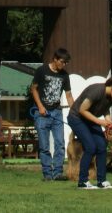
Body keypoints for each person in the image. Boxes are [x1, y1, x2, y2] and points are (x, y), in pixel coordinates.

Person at [66, 77, 112, 190]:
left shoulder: (111, 97)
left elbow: (105, 110)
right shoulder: (96, 91)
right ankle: (83, 182)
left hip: (90, 119)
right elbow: (82, 110)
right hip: (77, 118)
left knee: (101, 146)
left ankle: (102, 181)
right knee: (90, 147)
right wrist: (100, 122)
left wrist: (109, 123)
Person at [30, 48, 75, 181]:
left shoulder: (64, 75)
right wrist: (40, 106)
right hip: (41, 113)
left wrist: (76, 111)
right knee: (44, 146)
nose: (64, 64)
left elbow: (69, 95)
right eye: (62, 61)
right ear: (55, 59)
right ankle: (47, 175)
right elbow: (33, 89)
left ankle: (58, 173)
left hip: (57, 113)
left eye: (66, 62)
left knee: (60, 144)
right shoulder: (42, 71)